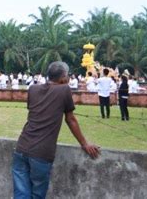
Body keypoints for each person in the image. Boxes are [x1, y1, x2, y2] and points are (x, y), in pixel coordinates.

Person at [12, 62, 100, 198]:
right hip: (41, 153)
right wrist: (84, 144)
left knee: (21, 194)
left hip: (22, 148)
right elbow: (70, 119)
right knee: (37, 195)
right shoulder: (64, 89)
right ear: (64, 78)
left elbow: (34, 111)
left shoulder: (33, 89)